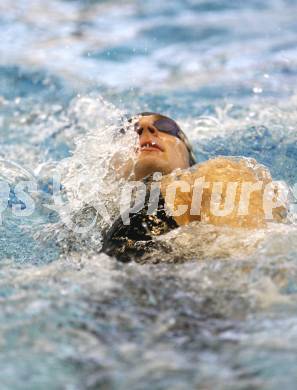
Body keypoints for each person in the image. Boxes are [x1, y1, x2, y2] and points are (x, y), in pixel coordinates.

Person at [102, 112, 286, 262]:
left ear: (188, 160)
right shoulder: (92, 219)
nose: (145, 129)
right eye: (129, 130)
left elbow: (255, 259)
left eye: (166, 126)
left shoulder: (214, 177)